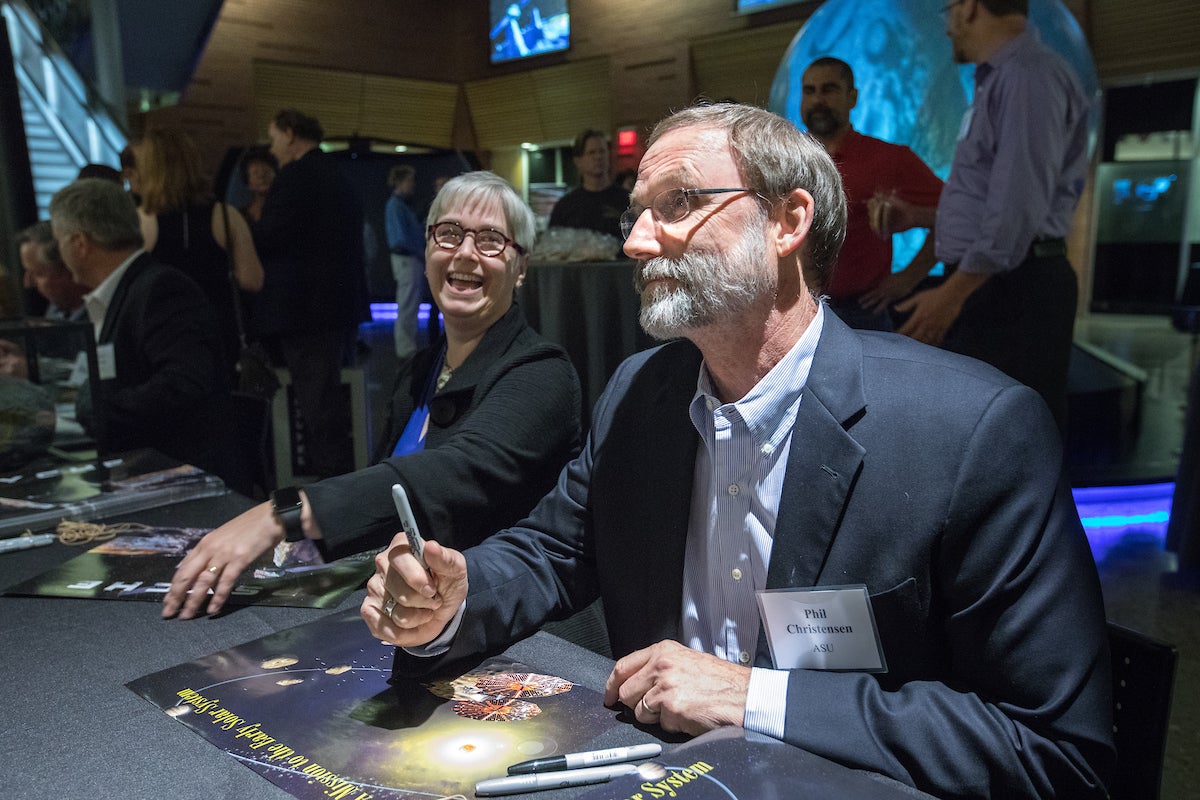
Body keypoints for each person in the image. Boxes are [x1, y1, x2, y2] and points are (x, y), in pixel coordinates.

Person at [364, 103, 1113, 799]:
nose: (635, 241)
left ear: (787, 221)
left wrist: (753, 695)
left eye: (679, 204)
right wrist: (455, 597)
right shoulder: (639, 395)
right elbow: (554, 551)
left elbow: (1053, 751)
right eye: (635, 214)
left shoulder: (971, 430)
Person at [161, 171, 582, 621]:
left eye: (491, 240)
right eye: (449, 233)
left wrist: (282, 514)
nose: (464, 252)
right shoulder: (420, 370)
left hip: (499, 624)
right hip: (405, 611)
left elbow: (453, 470)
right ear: (426, 251)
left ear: (521, 269)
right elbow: (385, 506)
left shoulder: (543, 373)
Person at [893, 0, 1089, 430]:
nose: (946, 28)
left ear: (969, 8)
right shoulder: (1002, 79)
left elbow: (1017, 208)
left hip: (1013, 287)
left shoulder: (1026, 77)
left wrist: (952, 295)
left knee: (1017, 433)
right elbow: (997, 199)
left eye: (946, 12)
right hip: (999, 280)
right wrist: (925, 217)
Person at [47, 178, 243, 486]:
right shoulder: (125, 291)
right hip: (146, 470)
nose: (59, 250)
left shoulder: (162, 288)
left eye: (59, 240)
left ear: (79, 243)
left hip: (182, 479)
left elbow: (184, 384)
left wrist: (94, 413)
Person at [253, 108, 370, 479]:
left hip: (304, 311)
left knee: (316, 406)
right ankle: (344, 481)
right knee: (335, 400)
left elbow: (269, 238)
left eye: (273, 138)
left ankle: (327, 493)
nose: (271, 149)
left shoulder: (295, 178)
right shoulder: (339, 175)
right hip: (341, 306)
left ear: (290, 134)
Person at [800, 56, 943, 331]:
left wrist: (910, 277)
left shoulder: (889, 158)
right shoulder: (785, 160)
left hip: (863, 315)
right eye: (810, 91)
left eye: (829, 90)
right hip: (797, 310)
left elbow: (954, 216)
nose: (818, 100)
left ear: (852, 97)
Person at [133, 128, 265, 377]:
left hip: (163, 335)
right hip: (219, 332)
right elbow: (252, 280)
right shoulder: (226, 216)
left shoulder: (141, 222)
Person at [548, 129, 629, 240]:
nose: (598, 157)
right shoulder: (565, 206)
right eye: (592, 152)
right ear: (578, 161)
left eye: (602, 151)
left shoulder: (627, 200)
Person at [385, 164, 427, 360]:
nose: (413, 185)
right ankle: (405, 348)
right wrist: (419, 252)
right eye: (410, 180)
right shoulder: (395, 205)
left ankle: (407, 346)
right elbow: (401, 238)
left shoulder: (399, 206)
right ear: (401, 182)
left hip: (409, 259)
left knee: (409, 303)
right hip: (407, 259)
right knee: (408, 303)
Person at [17, 221, 87, 322]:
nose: (28, 283)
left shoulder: (106, 316)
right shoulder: (55, 310)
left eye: (38, 274)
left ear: (69, 268)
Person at [237, 146, 277, 225]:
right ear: (249, 183)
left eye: (266, 171)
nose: (262, 176)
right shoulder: (239, 218)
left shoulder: (285, 212)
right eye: (255, 173)